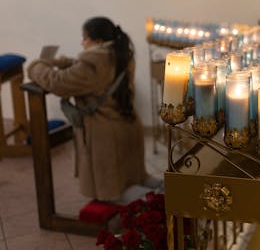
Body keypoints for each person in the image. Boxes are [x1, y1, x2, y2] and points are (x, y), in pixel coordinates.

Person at [28, 16, 161, 203]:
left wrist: (37, 66)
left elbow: (57, 83)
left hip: (105, 135)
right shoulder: (120, 54)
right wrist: (64, 62)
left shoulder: (93, 64)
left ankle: (155, 202)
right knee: (133, 178)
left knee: (117, 193)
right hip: (127, 124)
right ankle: (156, 192)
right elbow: (90, 72)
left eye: (85, 38)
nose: (82, 43)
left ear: (98, 41)